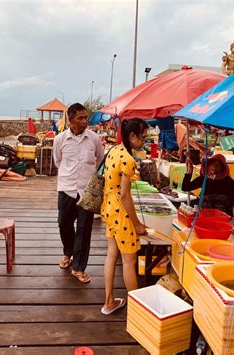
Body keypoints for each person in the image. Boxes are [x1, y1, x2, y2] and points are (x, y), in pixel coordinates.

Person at [100, 118, 149, 314]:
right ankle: (139, 311)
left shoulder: (113, 151)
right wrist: (137, 224)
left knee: (112, 254)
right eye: (143, 137)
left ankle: (109, 301)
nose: (144, 141)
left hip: (109, 208)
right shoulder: (128, 160)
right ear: (132, 136)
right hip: (121, 211)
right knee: (129, 261)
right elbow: (125, 195)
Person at [52, 103, 104, 283]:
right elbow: (58, 162)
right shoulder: (59, 140)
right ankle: (69, 252)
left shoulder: (94, 139)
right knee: (63, 224)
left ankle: (79, 267)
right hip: (66, 188)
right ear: (70, 120)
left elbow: (99, 160)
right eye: (80, 118)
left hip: (87, 191)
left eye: (85, 117)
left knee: (84, 229)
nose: (85, 122)